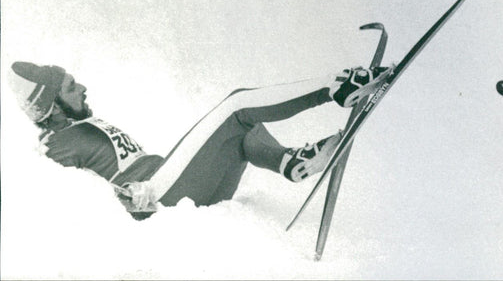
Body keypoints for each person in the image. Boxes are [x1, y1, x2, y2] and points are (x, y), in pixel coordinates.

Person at [9, 59, 393, 218]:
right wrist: (127, 199)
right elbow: (68, 204)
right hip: (157, 198)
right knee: (237, 105)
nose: (83, 88)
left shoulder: (74, 129)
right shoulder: (52, 148)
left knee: (241, 125)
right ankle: (338, 88)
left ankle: (291, 162)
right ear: (52, 106)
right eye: (72, 88)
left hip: (175, 186)